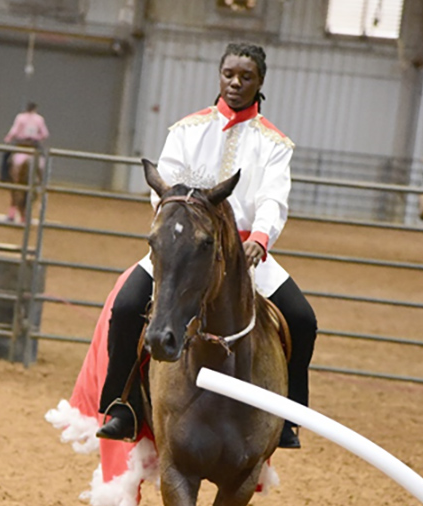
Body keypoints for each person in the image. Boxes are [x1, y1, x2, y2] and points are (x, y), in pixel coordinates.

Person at [96, 42, 317, 450]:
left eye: (245, 77)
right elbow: (164, 186)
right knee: (127, 307)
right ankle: (121, 406)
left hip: (243, 253)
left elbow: (273, 197)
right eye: (229, 74)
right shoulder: (185, 130)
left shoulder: (273, 144)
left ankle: (288, 414)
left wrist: (261, 239)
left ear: (259, 83)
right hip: (184, 248)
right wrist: (181, 225)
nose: (236, 83)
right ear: (220, 76)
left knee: (303, 320)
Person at [1, 101, 49, 221]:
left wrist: (8, 138)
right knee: (43, 162)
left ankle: (3, 176)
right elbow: (44, 134)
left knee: (6, 157)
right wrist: (38, 138)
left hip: (22, 145)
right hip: (33, 145)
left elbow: (14, 131)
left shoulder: (20, 117)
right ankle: (43, 181)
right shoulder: (39, 119)